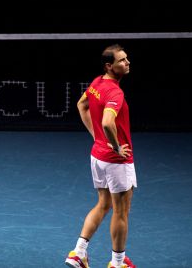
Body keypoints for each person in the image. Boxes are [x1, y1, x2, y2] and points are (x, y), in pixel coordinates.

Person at [65, 44, 137, 268]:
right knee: (121, 212)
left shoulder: (97, 82)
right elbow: (107, 122)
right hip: (116, 161)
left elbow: (81, 104)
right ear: (109, 65)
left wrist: (97, 138)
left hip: (97, 155)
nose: (127, 63)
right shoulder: (115, 92)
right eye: (122, 61)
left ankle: (78, 253)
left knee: (103, 204)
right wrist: (115, 146)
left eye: (127, 59)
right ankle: (117, 263)